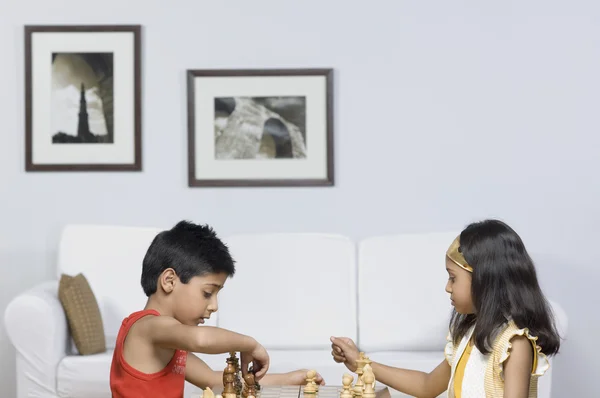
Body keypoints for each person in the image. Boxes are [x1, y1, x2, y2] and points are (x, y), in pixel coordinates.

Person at [330, 219, 561, 398]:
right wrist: (360, 362)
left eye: (453, 278)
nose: (447, 288)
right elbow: (427, 386)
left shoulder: (514, 344)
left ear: (484, 281)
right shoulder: (470, 333)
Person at [110, 220, 324, 398]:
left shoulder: (170, 343)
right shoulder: (146, 327)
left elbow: (214, 380)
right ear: (169, 281)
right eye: (207, 293)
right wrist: (250, 344)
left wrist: (288, 379)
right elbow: (200, 339)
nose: (214, 306)